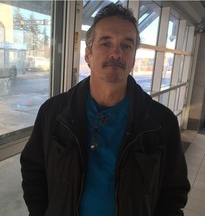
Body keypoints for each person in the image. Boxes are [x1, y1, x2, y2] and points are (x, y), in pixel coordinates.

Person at [20, 2, 190, 216]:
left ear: (133, 59)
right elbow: (33, 169)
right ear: (88, 55)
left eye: (126, 45)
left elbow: (172, 194)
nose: (116, 53)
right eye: (105, 43)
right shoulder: (54, 113)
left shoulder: (159, 123)